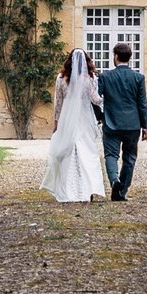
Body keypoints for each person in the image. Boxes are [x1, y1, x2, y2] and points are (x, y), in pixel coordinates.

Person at [39, 49, 110, 203]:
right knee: (87, 152)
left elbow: (58, 103)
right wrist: (108, 100)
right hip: (85, 118)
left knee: (68, 151)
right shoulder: (89, 79)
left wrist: (56, 123)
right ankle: (87, 189)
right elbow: (96, 99)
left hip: (67, 118)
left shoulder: (61, 79)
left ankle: (67, 189)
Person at [95, 42, 147, 202]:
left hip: (111, 122)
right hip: (132, 124)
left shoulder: (105, 77)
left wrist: (100, 116)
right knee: (130, 157)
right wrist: (145, 126)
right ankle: (121, 191)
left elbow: (97, 100)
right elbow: (142, 103)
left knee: (111, 155)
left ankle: (114, 181)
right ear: (129, 58)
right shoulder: (138, 78)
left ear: (116, 57)